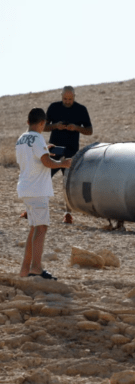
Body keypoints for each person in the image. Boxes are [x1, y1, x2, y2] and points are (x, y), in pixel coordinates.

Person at [16, 108, 71, 279]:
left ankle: (25, 270)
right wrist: (62, 163)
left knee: (34, 229)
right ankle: (36, 268)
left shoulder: (21, 138)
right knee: (41, 228)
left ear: (28, 122)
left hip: (25, 188)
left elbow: (33, 157)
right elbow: (46, 162)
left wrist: (45, 149)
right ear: (42, 123)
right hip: (37, 190)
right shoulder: (38, 138)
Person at [43, 86, 92, 224]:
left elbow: (89, 131)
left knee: (68, 182)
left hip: (71, 150)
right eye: (65, 98)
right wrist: (55, 126)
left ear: (74, 97)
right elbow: (44, 127)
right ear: (61, 96)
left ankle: (68, 213)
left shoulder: (81, 109)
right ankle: (35, 209)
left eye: (70, 99)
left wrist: (76, 128)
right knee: (44, 177)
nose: (68, 101)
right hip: (54, 150)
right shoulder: (53, 107)